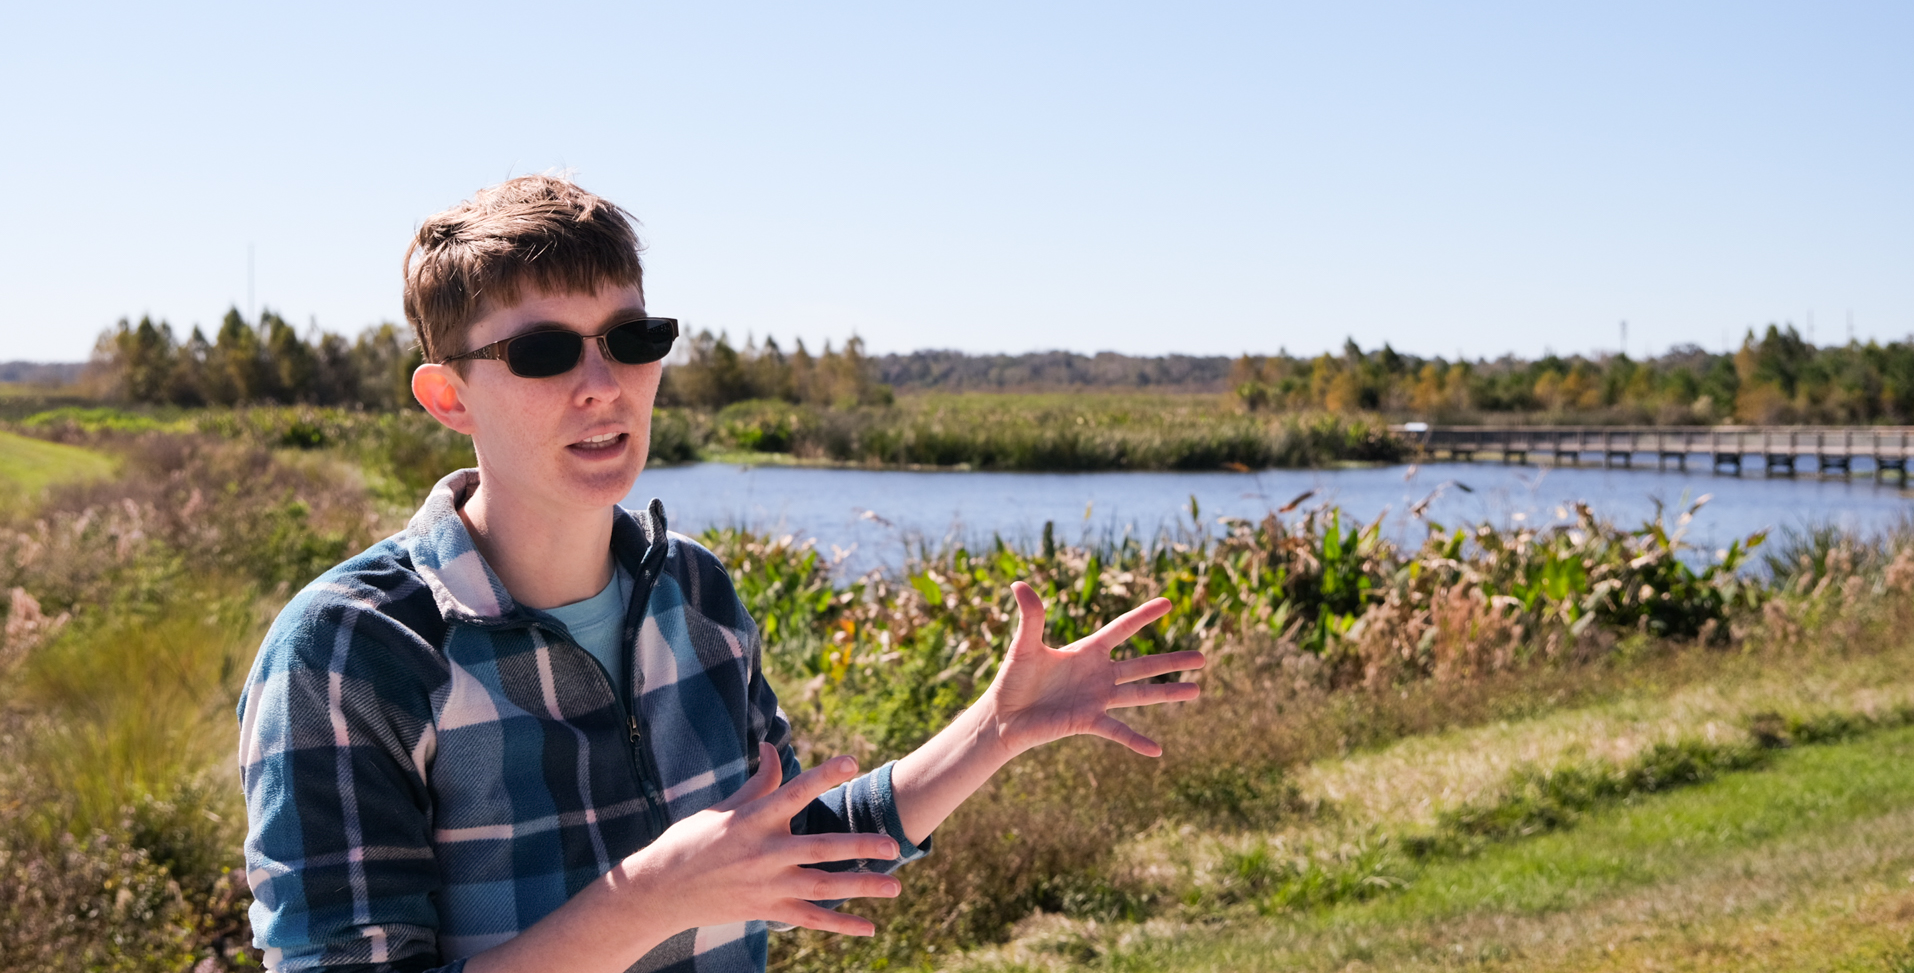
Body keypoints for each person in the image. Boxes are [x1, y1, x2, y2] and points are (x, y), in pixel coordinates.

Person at [236, 175, 1205, 973]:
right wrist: (654, 895)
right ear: (449, 395)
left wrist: (993, 731)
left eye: (630, 338)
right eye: (541, 352)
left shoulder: (695, 595)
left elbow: (779, 855)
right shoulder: (351, 650)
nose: (603, 384)